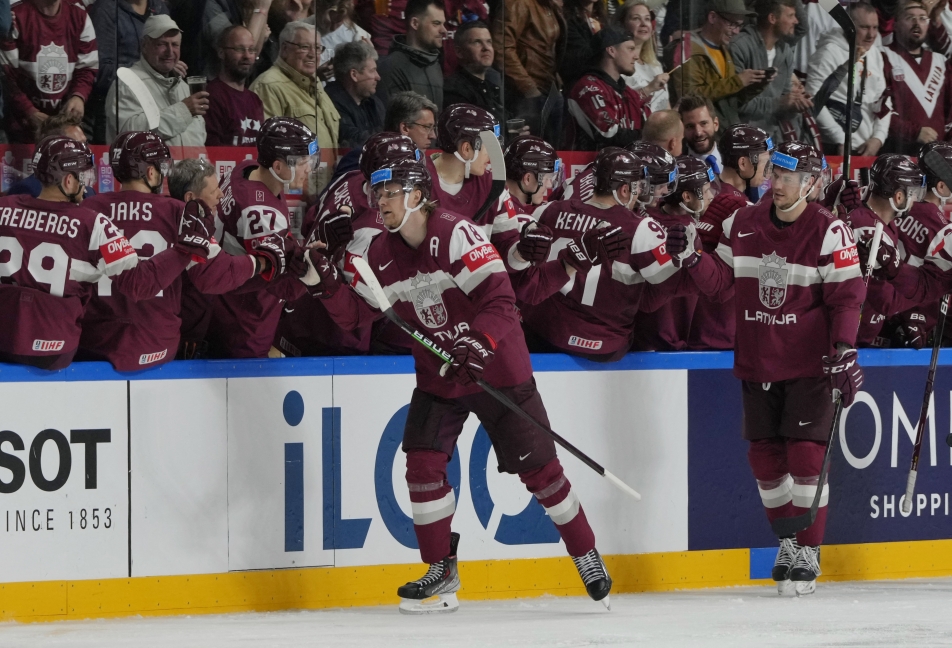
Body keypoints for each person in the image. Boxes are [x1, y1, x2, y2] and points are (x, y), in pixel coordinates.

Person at [308, 155, 613, 614]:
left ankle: (585, 552)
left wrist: (478, 344)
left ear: (416, 195)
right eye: (376, 194)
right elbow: (356, 318)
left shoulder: (454, 233)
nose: (379, 201)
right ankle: (441, 569)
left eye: (389, 193)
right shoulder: (377, 253)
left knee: (542, 474)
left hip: (498, 370)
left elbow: (501, 299)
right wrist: (320, 281)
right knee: (422, 465)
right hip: (439, 376)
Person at [666, 140, 867, 596]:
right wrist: (690, 258)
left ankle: (809, 550)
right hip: (757, 361)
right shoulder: (745, 221)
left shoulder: (830, 230)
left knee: (805, 456)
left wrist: (844, 349)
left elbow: (847, 297)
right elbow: (719, 286)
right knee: (765, 461)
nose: (776, 184)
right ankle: (788, 542)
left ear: (811, 183)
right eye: (774, 174)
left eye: (788, 177)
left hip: (810, 364)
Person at [0, 136, 214, 370]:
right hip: (55, 349)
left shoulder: (4, 209)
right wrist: (185, 249)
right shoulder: (91, 221)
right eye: (83, 177)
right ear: (69, 180)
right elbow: (138, 283)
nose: (87, 184)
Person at [78, 131, 270, 371]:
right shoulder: (179, 212)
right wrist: (260, 263)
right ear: (150, 172)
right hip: (155, 343)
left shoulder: (88, 209)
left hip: (94, 342)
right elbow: (215, 276)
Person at [521, 147, 696, 361]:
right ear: (624, 190)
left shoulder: (547, 210)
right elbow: (667, 286)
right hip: (601, 345)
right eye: (637, 186)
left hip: (542, 334)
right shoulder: (640, 228)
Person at [276, 131, 420, 358]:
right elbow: (361, 301)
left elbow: (308, 223)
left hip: (300, 313)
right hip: (334, 334)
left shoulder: (350, 179)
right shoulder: (378, 226)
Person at [206, 116, 318, 359]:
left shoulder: (244, 169)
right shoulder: (260, 214)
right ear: (278, 167)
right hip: (245, 318)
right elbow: (286, 287)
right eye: (302, 162)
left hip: (225, 303)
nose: (308, 168)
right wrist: (313, 266)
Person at [686, 124, 772, 351]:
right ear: (743, 163)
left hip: (701, 323)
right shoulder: (737, 206)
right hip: (719, 332)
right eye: (765, 162)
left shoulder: (710, 191)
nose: (768, 171)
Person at [838, 154, 928, 347]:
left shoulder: (880, 221)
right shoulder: (870, 233)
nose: (914, 201)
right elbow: (886, 302)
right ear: (899, 196)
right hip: (849, 340)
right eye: (912, 194)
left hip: (861, 332)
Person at [631, 156, 715, 351]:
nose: (711, 195)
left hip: (641, 336)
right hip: (664, 339)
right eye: (705, 190)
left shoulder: (641, 220)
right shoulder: (689, 233)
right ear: (686, 197)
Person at [0, 0, 98, 143]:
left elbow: (87, 67)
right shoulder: (16, 16)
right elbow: (7, 76)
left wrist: (78, 96)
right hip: (20, 126)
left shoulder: (80, 17)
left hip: (63, 122)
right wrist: (29, 111)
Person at [105, 15, 208, 146]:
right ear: (144, 46)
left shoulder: (184, 87)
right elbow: (131, 136)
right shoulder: (127, 83)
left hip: (187, 166)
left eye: (175, 45)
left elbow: (198, 140)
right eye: (162, 44)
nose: (170, 52)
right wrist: (184, 111)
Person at [663, 0, 766, 129]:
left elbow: (729, 102)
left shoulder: (723, 49)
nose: (736, 32)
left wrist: (755, 85)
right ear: (712, 17)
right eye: (732, 24)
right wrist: (737, 82)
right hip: (703, 136)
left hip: (727, 132)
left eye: (739, 25)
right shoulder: (686, 48)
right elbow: (688, 97)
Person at [805, 2, 889, 157]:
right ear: (847, 25)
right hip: (833, 147)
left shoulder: (875, 54)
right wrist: (840, 139)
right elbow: (813, 98)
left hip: (866, 148)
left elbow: (883, 101)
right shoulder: (828, 52)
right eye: (864, 27)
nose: (871, 35)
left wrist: (878, 138)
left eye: (875, 27)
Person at [250, 21, 341, 158]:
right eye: (304, 47)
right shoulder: (268, 86)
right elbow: (268, 148)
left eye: (317, 48)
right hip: (293, 178)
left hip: (324, 176)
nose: (312, 54)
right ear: (285, 49)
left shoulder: (315, 83)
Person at [87, 0, 170, 144]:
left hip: (155, 104)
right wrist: (150, 70)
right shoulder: (106, 9)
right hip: (116, 105)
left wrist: (167, 62)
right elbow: (103, 71)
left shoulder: (159, 7)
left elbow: (168, 49)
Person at [730, 0, 811, 143]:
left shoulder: (785, 52)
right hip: (742, 140)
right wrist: (779, 103)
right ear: (772, 18)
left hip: (773, 139)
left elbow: (784, 100)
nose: (796, 21)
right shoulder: (739, 47)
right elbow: (736, 103)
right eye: (791, 15)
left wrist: (794, 105)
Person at [882, 1, 952, 155]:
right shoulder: (883, 56)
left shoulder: (940, 61)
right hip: (897, 154)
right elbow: (879, 110)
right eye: (910, 17)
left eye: (922, 18)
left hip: (939, 159)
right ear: (895, 24)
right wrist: (914, 132)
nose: (917, 23)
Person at [492, 0, 565, 144]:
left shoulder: (548, 6)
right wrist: (528, 87)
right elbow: (503, 48)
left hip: (548, 90)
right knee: (527, 154)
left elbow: (548, 49)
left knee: (550, 154)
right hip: (525, 95)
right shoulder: (518, 3)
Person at [566, 27, 649, 151]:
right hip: (587, 167)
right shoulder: (587, 88)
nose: (636, 56)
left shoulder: (630, 93)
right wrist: (649, 136)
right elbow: (609, 135)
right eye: (630, 49)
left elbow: (653, 125)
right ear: (611, 51)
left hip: (623, 166)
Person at [7, 112, 95, 199]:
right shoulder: (26, 190)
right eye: (78, 145)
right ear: (54, 149)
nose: (88, 151)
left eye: (85, 144)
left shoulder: (90, 193)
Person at [376, 0, 446, 109]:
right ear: (414, 23)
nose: (444, 30)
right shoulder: (390, 67)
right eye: (436, 23)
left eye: (443, 24)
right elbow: (391, 121)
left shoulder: (435, 64)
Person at [205, 25, 266, 146]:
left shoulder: (254, 99)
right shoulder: (211, 96)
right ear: (221, 53)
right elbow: (212, 151)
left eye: (251, 50)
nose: (247, 56)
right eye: (239, 49)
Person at [324, 41, 385, 149]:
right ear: (354, 75)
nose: (378, 77)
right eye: (372, 71)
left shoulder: (373, 101)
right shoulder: (330, 102)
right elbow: (353, 140)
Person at [442, 21, 504, 123]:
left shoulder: (492, 87)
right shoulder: (454, 91)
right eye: (477, 42)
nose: (486, 48)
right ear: (459, 52)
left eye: (489, 42)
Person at [618, 0, 670, 112]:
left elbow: (666, 106)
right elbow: (619, 108)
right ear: (622, 25)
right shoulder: (618, 65)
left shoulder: (655, 65)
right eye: (636, 18)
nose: (644, 24)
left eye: (647, 19)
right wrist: (649, 88)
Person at [560, 0, 607, 92]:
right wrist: (600, 35)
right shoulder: (568, 18)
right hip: (581, 88)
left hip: (603, 84)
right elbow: (582, 57)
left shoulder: (601, 17)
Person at [679, 94, 722, 173]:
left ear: (715, 124)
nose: (698, 133)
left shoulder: (735, 156)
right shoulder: (677, 168)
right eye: (690, 126)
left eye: (704, 123)